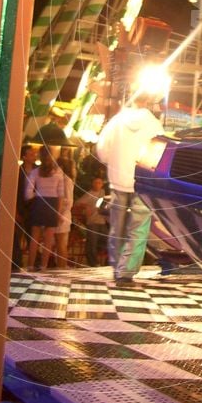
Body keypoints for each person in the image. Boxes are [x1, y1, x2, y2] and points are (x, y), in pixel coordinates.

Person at [95, 93, 164, 286]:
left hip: (118, 181)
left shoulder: (116, 121)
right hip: (142, 182)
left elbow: (102, 150)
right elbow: (160, 153)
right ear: (149, 102)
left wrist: (114, 162)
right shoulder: (154, 124)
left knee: (117, 227)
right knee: (138, 229)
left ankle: (117, 267)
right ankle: (126, 273)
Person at [25, 146, 65, 271]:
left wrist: (36, 195)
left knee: (34, 238)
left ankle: (30, 266)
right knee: (48, 239)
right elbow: (61, 194)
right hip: (52, 204)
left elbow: (27, 193)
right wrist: (58, 212)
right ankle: (43, 266)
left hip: (39, 203)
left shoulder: (35, 172)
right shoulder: (58, 172)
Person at [73, 175, 109, 267]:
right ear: (93, 184)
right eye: (96, 183)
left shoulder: (103, 193)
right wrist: (85, 207)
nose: (98, 184)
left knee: (109, 241)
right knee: (92, 242)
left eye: (100, 183)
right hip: (93, 222)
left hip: (102, 222)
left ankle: (106, 262)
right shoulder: (89, 194)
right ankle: (93, 263)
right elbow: (77, 203)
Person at [11, 144, 37, 271]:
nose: (34, 156)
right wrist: (15, 209)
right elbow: (15, 192)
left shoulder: (38, 171)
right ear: (24, 157)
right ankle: (16, 261)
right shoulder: (18, 172)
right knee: (16, 236)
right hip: (21, 208)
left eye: (34, 154)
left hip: (34, 209)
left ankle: (36, 262)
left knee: (33, 237)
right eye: (31, 154)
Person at [54, 156, 75, 269]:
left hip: (63, 214)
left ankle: (62, 266)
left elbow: (68, 200)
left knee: (61, 242)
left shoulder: (66, 180)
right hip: (60, 213)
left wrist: (60, 212)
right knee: (59, 242)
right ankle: (60, 265)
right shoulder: (60, 179)